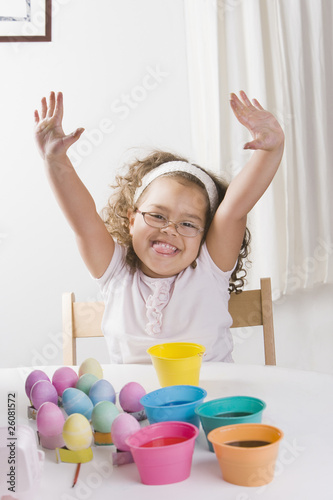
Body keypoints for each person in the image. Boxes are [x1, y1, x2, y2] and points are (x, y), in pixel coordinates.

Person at [34, 91, 284, 363]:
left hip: (212, 401)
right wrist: (55, 160)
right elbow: (83, 222)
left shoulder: (209, 271)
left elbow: (234, 211)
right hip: (135, 404)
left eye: (188, 223)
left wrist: (271, 150)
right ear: (131, 220)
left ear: (206, 235)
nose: (170, 229)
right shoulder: (116, 274)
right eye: (157, 215)